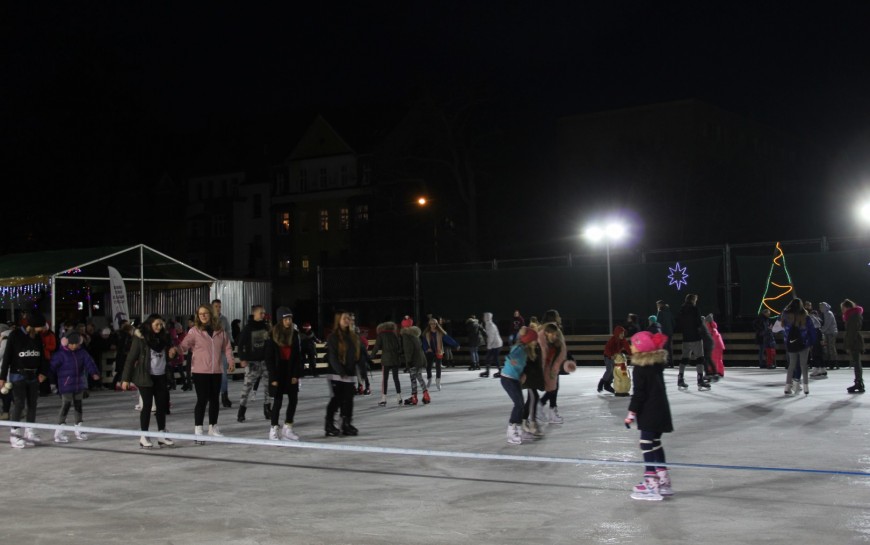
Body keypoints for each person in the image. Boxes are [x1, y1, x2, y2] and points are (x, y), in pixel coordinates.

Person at [624, 331, 674, 501]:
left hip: (649, 413)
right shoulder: (656, 365)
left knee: (645, 444)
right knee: (656, 443)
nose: (630, 346)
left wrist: (631, 414)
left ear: (641, 349)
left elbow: (639, 394)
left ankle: (651, 482)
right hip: (661, 411)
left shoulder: (639, 369)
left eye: (633, 344)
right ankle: (664, 481)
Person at [180, 304, 236, 443]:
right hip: (200, 371)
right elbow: (185, 344)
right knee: (202, 400)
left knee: (214, 400)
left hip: (216, 370)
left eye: (206, 313)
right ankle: (198, 429)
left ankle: (213, 427)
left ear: (211, 314)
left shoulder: (220, 331)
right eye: (200, 314)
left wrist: (231, 361)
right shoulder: (194, 331)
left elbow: (227, 348)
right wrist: (176, 350)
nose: (203, 316)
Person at [122, 315, 178, 448]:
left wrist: (172, 354)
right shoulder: (141, 338)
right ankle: (144, 435)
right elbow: (131, 359)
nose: (159, 327)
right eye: (157, 324)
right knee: (147, 406)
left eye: (161, 324)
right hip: (145, 376)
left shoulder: (165, 337)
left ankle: (162, 433)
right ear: (150, 324)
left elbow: (169, 355)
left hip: (161, 376)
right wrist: (125, 379)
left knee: (162, 406)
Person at [0, 311, 49, 448]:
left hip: (33, 376)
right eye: (40, 327)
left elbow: (42, 358)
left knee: (32, 404)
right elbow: (7, 358)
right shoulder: (14, 336)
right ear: (33, 326)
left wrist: (43, 372)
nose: (42, 330)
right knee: (19, 404)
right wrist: (2, 377)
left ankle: (30, 431)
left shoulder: (38, 338)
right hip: (18, 375)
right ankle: (15, 434)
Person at [49, 331, 100, 443]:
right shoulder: (60, 354)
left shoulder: (82, 353)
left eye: (76, 344)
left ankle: (79, 427)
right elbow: (52, 368)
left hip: (78, 384)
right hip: (65, 384)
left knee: (78, 405)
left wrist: (94, 373)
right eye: (71, 344)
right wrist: (51, 382)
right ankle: (60, 429)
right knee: (66, 405)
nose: (73, 346)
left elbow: (89, 363)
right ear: (66, 343)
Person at [265, 308, 303, 440]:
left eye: (290, 319)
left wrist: (296, 375)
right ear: (280, 320)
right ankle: (274, 428)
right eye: (286, 319)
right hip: (278, 370)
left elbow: (298, 356)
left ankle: (288, 428)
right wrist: (273, 377)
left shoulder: (295, 334)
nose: (288, 321)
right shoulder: (272, 335)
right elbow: (269, 358)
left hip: (290, 370)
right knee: (278, 401)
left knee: (293, 400)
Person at [500, 326, 539, 445]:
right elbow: (511, 356)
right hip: (507, 379)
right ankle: (511, 432)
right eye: (534, 340)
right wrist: (511, 359)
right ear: (528, 340)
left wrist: (523, 373)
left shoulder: (526, 350)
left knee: (521, 405)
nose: (536, 342)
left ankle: (518, 430)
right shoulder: (519, 349)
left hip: (515, 379)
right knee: (519, 404)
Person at [324, 310, 361, 436]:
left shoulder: (353, 336)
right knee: (337, 399)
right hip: (336, 374)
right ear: (338, 320)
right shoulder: (333, 337)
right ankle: (329, 425)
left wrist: (361, 368)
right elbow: (332, 357)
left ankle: (346, 423)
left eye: (348, 318)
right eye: (344, 318)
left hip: (349, 374)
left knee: (349, 400)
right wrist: (340, 371)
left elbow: (357, 355)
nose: (347, 320)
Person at [537, 311, 576, 424]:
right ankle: (541, 405)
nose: (560, 318)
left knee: (554, 387)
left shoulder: (551, 328)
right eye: (558, 316)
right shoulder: (550, 330)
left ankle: (550, 410)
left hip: (554, 363)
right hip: (551, 364)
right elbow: (551, 347)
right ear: (553, 318)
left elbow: (560, 346)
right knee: (553, 387)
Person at [236, 305, 272, 423]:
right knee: (247, 387)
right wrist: (242, 358)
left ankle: (267, 409)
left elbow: (269, 342)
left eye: (264, 313)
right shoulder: (248, 328)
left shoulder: (265, 326)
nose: (263, 315)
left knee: (268, 387)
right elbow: (240, 345)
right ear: (254, 314)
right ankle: (241, 411)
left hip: (265, 361)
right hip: (252, 363)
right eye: (261, 313)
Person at [780, 298, 817, 396]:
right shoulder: (805, 316)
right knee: (803, 365)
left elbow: (784, 330)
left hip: (791, 343)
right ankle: (805, 387)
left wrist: (787, 341)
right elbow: (812, 330)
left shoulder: (785, 316)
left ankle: (787, 386)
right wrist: (811, 342)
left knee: (791, 365)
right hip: (804, 344)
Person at [677, 294, 710, 391]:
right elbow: (698, 323)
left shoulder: (682, 310)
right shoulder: (695, 309)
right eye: (695, 299)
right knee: (700, 358)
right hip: (696, 337)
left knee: (684, 359)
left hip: (686, 338)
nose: (696, 301)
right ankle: (700, 380)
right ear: (692, 300)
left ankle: (680, 378)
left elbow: (679, 323)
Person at [371, 320, 403, 407]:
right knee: (396, 378)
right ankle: (399, 397)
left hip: (386, 360)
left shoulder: (381, 335)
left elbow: (376, 347)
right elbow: (400, 348)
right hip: (395, 359)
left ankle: (384, 399)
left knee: (385, 379)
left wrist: (371, 357)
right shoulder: (395, 335)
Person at [421, 318, 459, 391]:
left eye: (435, 323)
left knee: (438, 366)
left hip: (439, 351)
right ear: (429, 324)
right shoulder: (426, 333)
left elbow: (448, 339)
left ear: (437, 324)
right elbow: (424, 343)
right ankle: (429, 379)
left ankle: (438, 381)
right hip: (430, 352)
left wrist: (456, 344)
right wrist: (426, 348)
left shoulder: (440, 332)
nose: (433, 325)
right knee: (428, 366)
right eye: (431, 323)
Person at [400, 318, 430, 405]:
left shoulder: (406, 335)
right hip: (420, 359)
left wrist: (408, 362)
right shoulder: (414, 335)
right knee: (419, 377)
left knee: (413, 379)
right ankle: (426, 395)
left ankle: (414, 397)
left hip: (414, 361)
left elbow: (408, 350)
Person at [211, 299, 233, 408]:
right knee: (211, 374)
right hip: (211, 351)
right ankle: (211, 396)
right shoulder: (208, 319)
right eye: (216, 306)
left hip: (223, 350)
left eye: (219, 306)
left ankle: (224, 395)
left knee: (223, 374)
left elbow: (228, 331)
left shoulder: (224, 319)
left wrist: (230, 342)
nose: (218, 308)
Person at [841, 299, 864, 394]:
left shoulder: (853, 316)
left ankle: (859, 383)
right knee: (856, 362)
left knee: (857, 363)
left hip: (855, 342)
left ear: (847, 307)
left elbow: (852, 332)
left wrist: (848, 345)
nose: (842, 310)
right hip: (855, 341)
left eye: (843, 308)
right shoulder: (853, 315)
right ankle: (859, 382)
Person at [599, 325, 630, 394]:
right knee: (609, 370)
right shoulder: (612, 340)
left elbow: (628, 348)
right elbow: (607, 349)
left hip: (615, 357)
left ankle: (607, 385)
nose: (623, 335)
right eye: (621, 333)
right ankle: (601, 383)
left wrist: (631, 354)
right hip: (608, 356)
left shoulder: (623, 340)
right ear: (617, 333)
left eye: (623, 333)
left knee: (615, 371)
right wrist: (611, 355)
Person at [815, 302, 838, 376]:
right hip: (827, 332)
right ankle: (830, 362)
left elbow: (827, 324)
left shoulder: (828, 313)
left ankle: (833, 362)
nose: (820, 309)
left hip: (831, 332)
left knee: (831, 347)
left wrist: (821, 331)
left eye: (821, 307)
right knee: (827, 348)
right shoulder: (825, 313)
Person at [479, 312, 503, 378]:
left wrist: (489, 347)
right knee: (488, 357)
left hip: (497, 344)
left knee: (495, 358)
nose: (483, 318)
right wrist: (483, 330)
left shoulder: (491, 325)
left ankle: (500, 371)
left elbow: (491, 337)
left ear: (487, 318)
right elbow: (488, 334)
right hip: (494, 344)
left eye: (484, 317)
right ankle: (487, 371)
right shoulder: (488, 324)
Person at [655, 300, 675, 367]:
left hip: (663, 332)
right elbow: (673, 322)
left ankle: (665, 363)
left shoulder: (660, 312)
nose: (657, 306)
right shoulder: (669, 312)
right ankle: (671, 363)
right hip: (670, 332)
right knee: (669, 347)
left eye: (658, 305)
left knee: (664, 347)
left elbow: (658, 322)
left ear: (660, 305)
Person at [706, 314, 726, 378]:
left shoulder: (709, 328)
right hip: (720, 345)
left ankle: (714, 372)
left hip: (715, 346)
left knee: (714, 359)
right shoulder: (713, 327)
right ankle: (720, 372)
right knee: (719, 359)